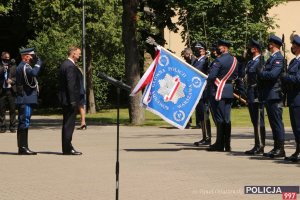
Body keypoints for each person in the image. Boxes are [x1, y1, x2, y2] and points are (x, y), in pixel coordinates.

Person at [206, 39, 238, 152]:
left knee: (219, 118)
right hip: (228, 90)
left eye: (219, 47)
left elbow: (212, 77)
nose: (217, 49)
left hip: (218, 90)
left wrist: (207, 84)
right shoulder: (234, 60)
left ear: (224, 48)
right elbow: (236, 75)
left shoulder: (218, 61)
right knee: (227, 118)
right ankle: (227, 144)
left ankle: (219, 144)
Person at [257, 35, 285, 158]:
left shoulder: (278, 58)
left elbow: (273, 75)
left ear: (273, 45)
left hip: (275, 93)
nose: (268, 45)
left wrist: (262, 73)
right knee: (273, 122)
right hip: (269, 94)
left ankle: (280, 148)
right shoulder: (271, 58)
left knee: (277, 122)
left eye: (269, 43)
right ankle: (276, 147)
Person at [15, 47, 42, 155]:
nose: (33, 58)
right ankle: (22, 147)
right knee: (24, 122)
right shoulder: (24, 67)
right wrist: (39, 62)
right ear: (26, 56)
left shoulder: (25, 66)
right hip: (25, 98)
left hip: (27, 98)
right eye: (31, 56)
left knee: (25, 122)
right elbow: (34, 73)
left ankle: (23, 146)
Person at [59, 46, 82, 155]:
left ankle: (66, 147)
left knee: (66, 124)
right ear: (73, 54)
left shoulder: (65, 64)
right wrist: (73, 101)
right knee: (69, 124)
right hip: (70, 100)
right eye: (78, 53)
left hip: (66, 99)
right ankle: (68, 148)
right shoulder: (70, 66)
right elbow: (71, 85)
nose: (80, 55)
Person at [244, 39, 266, 155]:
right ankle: (257, 144)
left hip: (257, 92)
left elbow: (260, 78)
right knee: (254, 120)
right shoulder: (250, 62)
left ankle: (260, 145)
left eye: (252, 47)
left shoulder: (260, 60)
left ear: (256, 49)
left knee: (258, 120)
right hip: (250, 91)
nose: (249, 48)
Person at [281, 35, 300, 162]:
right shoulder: (294, 61)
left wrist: (286, 77)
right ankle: (298, 150)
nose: (292, 47)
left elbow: (298, 79)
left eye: (293, 45)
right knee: (295, 126)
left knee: (299, 126)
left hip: (298, 98)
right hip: (293, 98)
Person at [191, 42, 212, 145]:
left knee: (205, 114)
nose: (198, 51)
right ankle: (204, 136)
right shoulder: (196, 61)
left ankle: (208, 137)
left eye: (200, 49)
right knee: (200, 115)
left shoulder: (206, 60)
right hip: (197, 90)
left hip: (204, 91)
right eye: (196, 49)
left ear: (204, 50)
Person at [0, 51, 17, 133]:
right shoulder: (0, 66)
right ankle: (2, 127)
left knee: (12, 109)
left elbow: (17, 77)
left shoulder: (13, 66)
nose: (7, 59)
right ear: (2, 57)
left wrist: (12, 81)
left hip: (11, 90)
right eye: (5, 58)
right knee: (1, 110)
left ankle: (13, 127)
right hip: (2, 90)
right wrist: (3, 69)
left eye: (8, 58)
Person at [182, 48, 196, 129]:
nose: (184, 57)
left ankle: (191, 123)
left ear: (189, 54)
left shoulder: (194, 61)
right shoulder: (189, 61)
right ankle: (187, 122)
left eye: (185, 55)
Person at [76, 65, 87, 130]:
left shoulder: (75, 71)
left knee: (75, 106)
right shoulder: (80, 71)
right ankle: (83, 123)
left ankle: (82, 123)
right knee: (81, 107)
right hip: (81, 90)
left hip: (77, 91)